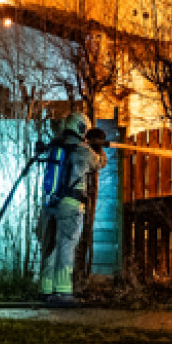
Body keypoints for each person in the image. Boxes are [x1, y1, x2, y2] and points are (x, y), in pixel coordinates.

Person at [36, 112, 106, 307]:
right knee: (66, 246)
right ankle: (63, 292)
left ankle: (45, 289)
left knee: (50, 247)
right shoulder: (83, 151)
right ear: (81, 128)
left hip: (50, 203)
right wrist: (98, 146)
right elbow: (100, 163)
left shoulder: (55, 147)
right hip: (71, 204)